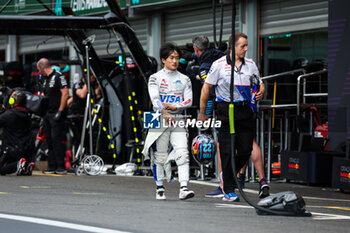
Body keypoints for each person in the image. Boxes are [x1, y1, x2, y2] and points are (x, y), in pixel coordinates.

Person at [198, 32, 262, 202]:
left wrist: (260, 92)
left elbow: (259, 84)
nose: (246, 49)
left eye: (247, 46)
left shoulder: (251, 64)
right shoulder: (218, 65)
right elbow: (206, 88)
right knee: (226, 150)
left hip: (245, 109)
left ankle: (229, 178)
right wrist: (203, 112)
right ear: (233, 47)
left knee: (245, 149)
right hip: (226, 109)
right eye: (243, 46)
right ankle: (228, 189)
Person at [142, 43, 195, 200]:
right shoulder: (155, 78)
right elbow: (155, 100)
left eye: (177, 58)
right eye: (171, 58)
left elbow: (189, 101)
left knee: (182, 152)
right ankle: (160, 188)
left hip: (178, 119)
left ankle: (184, 188)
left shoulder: (185, 79)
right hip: (159, 118)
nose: (175, 61)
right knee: (160, 155)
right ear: (163, 59)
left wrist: (174, 106)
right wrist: (164, 112)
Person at [36, 58, 69, 175]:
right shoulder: (44, 79)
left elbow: (65, 93)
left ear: (43, 67)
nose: (39, 72)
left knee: (57, 140)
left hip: (57, 113)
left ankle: (61, 166)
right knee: (48, 140)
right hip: (47, 114)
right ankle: (51, 166)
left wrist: (60, 111)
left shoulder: (59, 76)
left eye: (39, 69)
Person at [0, 90, 35, 176]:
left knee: (2, 169)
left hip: (13, 149)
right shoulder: (27, 114)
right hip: (27, 148)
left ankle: (18, 164)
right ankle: (26, 165)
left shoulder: (9, 115)